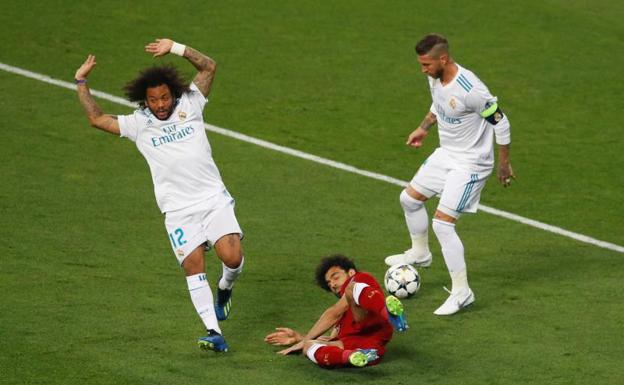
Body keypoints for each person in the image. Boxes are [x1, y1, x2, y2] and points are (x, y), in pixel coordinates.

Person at [74, 38, 244, 352]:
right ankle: (213, 331)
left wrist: (177, 48)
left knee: (231, 258)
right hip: (178, 212)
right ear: (145, 101)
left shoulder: (191, 103)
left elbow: (209, 66)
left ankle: (225, 288)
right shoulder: (139, 124)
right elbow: (97, 119)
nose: (161, 105)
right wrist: (81, 81)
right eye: (154, 100)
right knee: (193, 268)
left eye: (165, 97)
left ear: (173, 94)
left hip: (212, 200)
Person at [385, 33, 515, 316]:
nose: (423, 70)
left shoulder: (471, 89)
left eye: (426, 64)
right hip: (447, 154)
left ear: (443, 59)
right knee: (408, 199)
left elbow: (501, 122)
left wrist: (504, 164)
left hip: (471, 164)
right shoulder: (435, 77)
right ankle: (420, 253)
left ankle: (462, 292)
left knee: (443, 225)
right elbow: (438, 103)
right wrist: (424, 127)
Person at [264, 255, 407, 368]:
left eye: (335, 276)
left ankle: (389, 313)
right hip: (369, 351)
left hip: (373, 322)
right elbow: (332, 340)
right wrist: (299, 338)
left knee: (351, 288)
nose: (332, 284)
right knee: (309, 347)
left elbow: (332, 313)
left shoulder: (361, 278)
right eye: (328, 283)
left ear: (350, 272)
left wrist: (304, 340)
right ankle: (351, 357)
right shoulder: (342, 318)